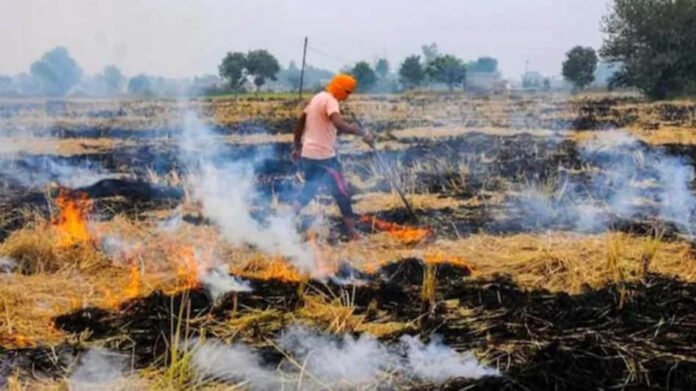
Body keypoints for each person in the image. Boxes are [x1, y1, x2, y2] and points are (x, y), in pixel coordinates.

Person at [291, 74, 375, 239]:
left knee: (309, 189)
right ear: (340, 89)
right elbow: (339, 123)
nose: (347, 96)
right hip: (324, 157)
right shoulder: (331, 100)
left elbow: (301, 121)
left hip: (308, 155)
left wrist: (297, 146)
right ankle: (352, 232)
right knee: (342, 192)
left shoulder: (317, 98)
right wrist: (362, 132)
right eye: (347, 92)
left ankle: (284, 221)